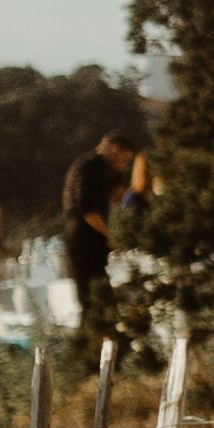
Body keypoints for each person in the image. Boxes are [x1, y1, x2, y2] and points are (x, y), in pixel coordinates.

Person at [60, 128, 148, 322]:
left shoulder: (104, 170)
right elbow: (88, 211)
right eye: (125, 159)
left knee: (101, 289)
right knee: (90, 292)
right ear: (114, 149)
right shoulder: (88, 168)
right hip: (83, 237)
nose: (125, 165)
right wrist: (112, 237)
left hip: (94, 237)